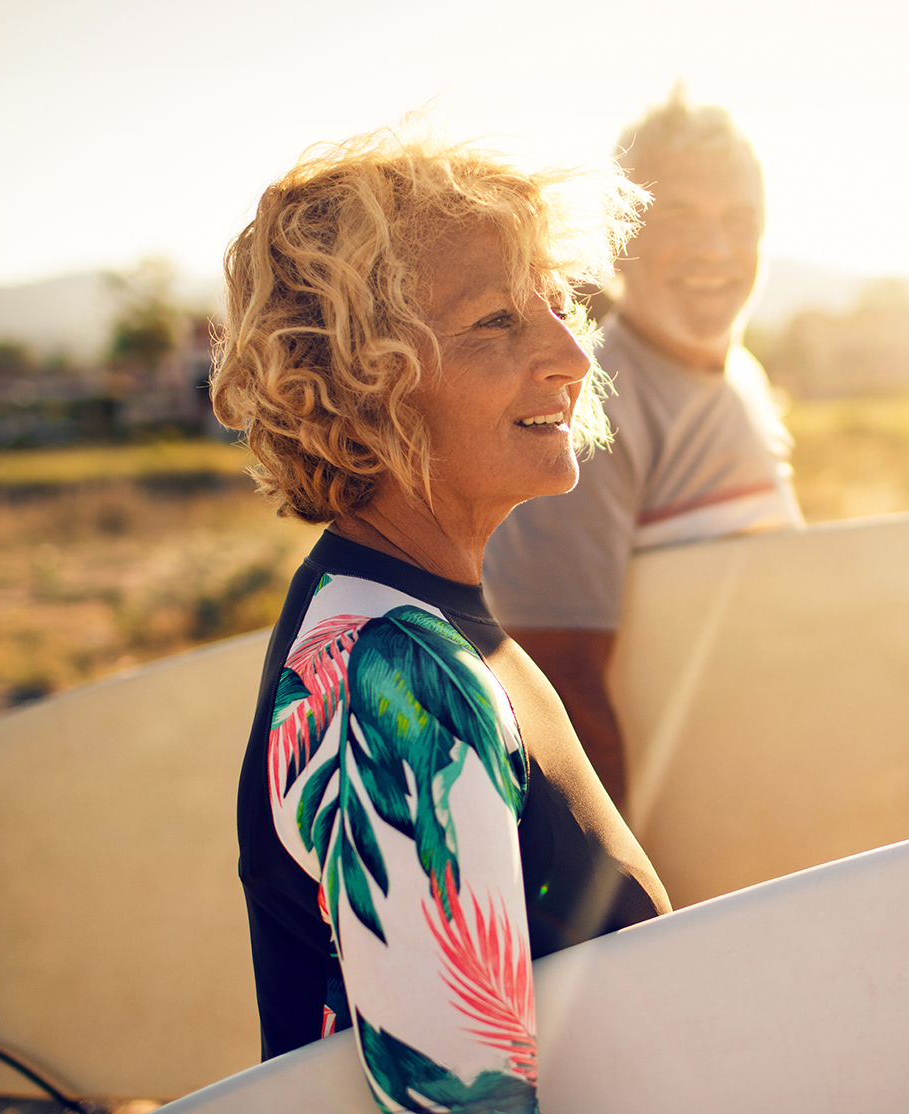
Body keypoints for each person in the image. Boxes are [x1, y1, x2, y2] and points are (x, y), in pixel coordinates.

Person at [210, 126, 671, 1114]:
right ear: (363, 385)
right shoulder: (401, 680)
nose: (569, 351)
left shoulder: (413, 619)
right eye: (497, 320)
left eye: (554, 300)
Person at [483, 90, 803, 812]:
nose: (716, 249)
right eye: (678, 216)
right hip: (686, 861)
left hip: (774, 817)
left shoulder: (742, 378)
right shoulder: (586, 408)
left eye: (738, 221)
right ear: (618, 236)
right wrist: (633, 912)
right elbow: (555, 687)